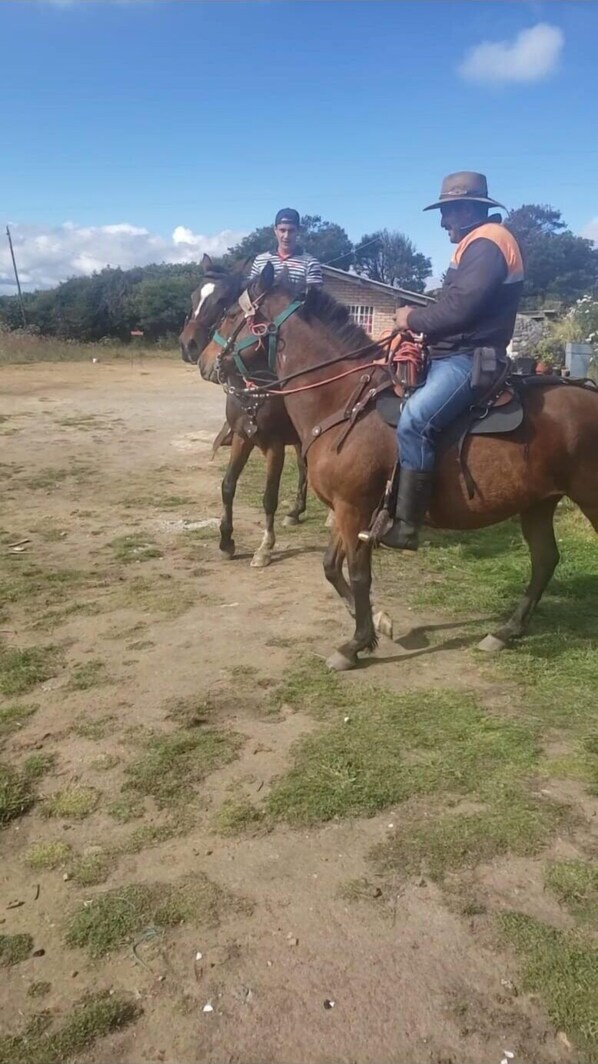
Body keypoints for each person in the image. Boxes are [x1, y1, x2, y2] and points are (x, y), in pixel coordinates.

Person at [376, 171, 524, 551]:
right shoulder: (477, 243)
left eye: (447, 212)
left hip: (470, 358)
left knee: (415, 421)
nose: (443, 222)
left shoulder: (489, 243)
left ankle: (407, 527)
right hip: (454, 353)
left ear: (468, 209)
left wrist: (411, 318)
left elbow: (460, 309)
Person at [250, 208, 323, 289]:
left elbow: (314, 295)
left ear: (298, 231)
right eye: (282, 230)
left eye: (291, 231)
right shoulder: (260, 260)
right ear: (275, 230)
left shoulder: (310, 263)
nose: (286, 236)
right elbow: (251, 292)